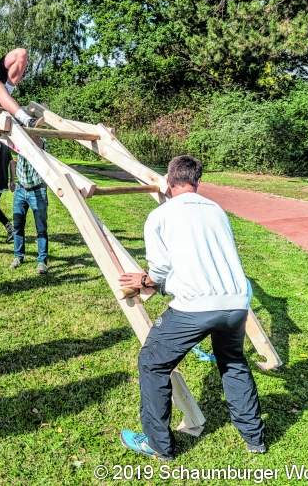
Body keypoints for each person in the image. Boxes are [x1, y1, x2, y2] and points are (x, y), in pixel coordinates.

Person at [118, 155, 265, 460]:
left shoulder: (160, 215)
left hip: (195, 306)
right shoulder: (216, 210)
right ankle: (254, 439)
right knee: (233, 362)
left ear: (168, 180)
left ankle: (158, 445)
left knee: (152, 362)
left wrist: (144, 280)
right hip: (236, 302)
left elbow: (159, 270)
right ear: (197, 181)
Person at [11, 136, 49, 274]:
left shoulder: (40, 140)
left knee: (41, 228)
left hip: (37, 190)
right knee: (17, 225)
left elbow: (38, 141)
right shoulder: (18, 139)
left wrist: (27, 131)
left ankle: (42, 261)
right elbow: (8, 143)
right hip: (20, 189)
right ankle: (18, 256)